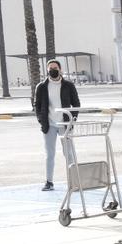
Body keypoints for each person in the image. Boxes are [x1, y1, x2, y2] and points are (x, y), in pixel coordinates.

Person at [34, 59, 80, 191]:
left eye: (55, 67)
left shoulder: (68, 86)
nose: (52, 70)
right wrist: (41, 120)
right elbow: (37, 106)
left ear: (60, 69)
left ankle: (74, 182)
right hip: (49, 125)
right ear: (47, 70)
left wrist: (72, 120)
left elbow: (76, 104)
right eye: (50, 68)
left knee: (69, 153)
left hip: (65, 124)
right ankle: (49, 182)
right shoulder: (41, 87)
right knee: (50, 154)